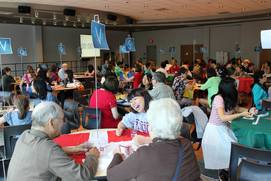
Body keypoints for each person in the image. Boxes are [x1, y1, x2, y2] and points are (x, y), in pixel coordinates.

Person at [107, 98, 201, 181]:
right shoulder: (186, 144)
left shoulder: (144, 154)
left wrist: (117, 155)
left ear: (151, 126)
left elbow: (111, 176)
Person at [7, 101, 100, 181]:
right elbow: (83, 175)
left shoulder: (25, 135)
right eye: (62, 120)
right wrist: (92, 156)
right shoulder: (49, 149)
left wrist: (74, 148)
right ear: (51, 123)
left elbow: (42, 155)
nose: (63, 123)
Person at [202, 77, 252, 171]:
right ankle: (227, 171)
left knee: (237, 146)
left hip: (224, 127)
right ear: (229, 88)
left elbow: (236, 109)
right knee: (232, 150)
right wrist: (242, 114)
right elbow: (222, 117)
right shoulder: (218, 98)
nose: (236, 89)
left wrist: (249, 110)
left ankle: (230, 169)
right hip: (215, 130)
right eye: (235, 87)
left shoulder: (229, 97)